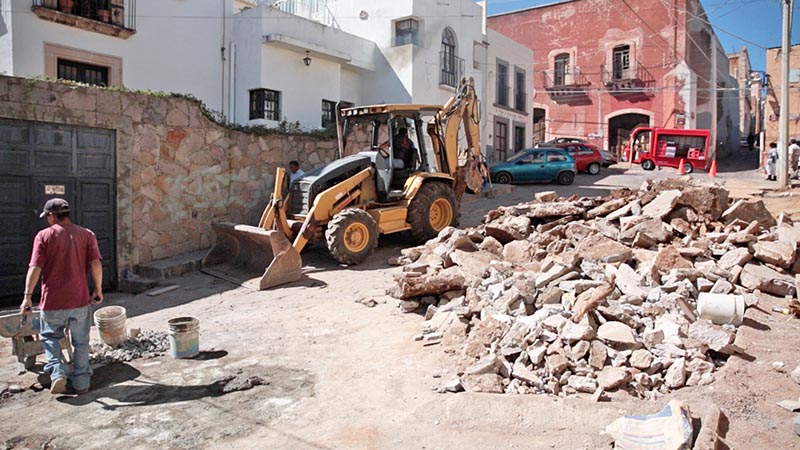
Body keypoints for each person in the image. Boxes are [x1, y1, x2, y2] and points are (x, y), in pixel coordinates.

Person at [20, 198, 103, 395]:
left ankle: (57, 372)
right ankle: (82, 382)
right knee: (81, 342)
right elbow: (96, 264)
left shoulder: (44, 236)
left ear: (51, 215)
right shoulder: (87, 234)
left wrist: (27, 296)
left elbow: (35, 268)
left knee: (50, 338)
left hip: (52, 302)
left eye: (46, 216)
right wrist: (98, 289)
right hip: (79, 300)